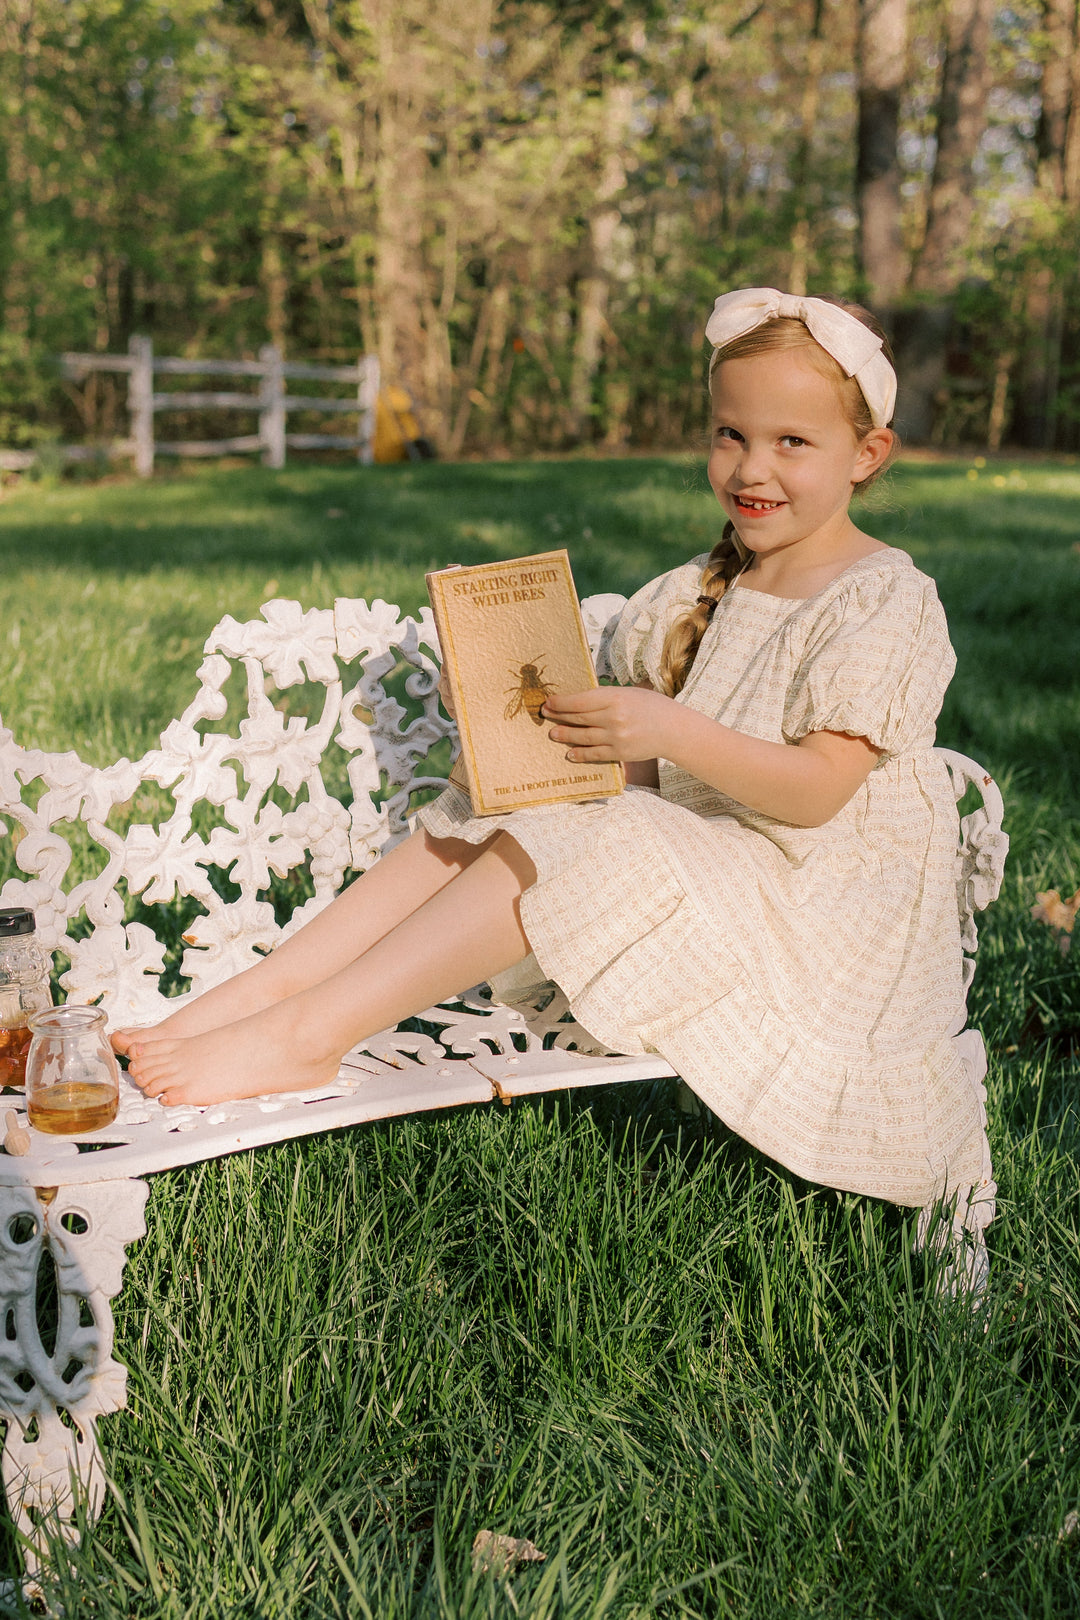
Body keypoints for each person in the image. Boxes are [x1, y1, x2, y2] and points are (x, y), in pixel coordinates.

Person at [114, 287, 988, 1213]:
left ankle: (309, 1035)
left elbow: (815, 794)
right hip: (718, 867)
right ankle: (268, 991)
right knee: (512, 795)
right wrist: (510, 707)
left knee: (603, 835)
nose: (751, 467)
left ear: (868, 455)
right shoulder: (699, 589)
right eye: (730, 434)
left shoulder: (879, 599)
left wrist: (669, 730)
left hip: (816, 911)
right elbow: (652, 774)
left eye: (792, 442)